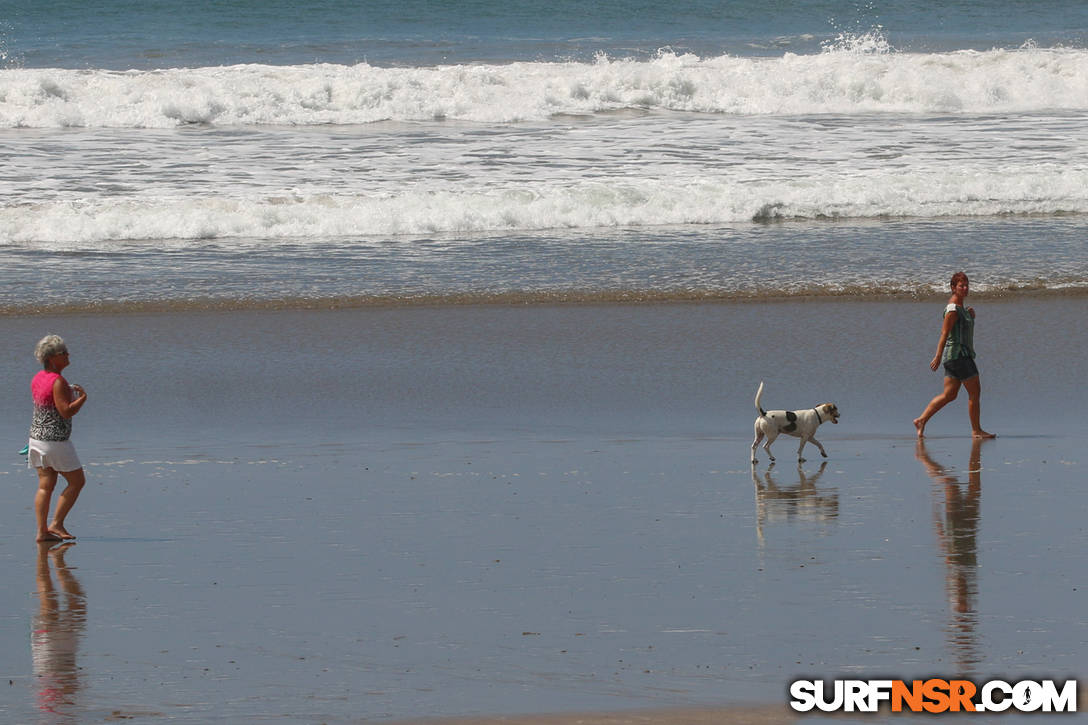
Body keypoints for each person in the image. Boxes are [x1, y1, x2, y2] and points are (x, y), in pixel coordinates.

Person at [913, 273, 995, 439]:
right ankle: (976, 430)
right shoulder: (952, 310)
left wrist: (970, 316)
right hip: (959, 357)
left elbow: (963, 329)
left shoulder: (961, 309)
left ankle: (921, 420)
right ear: (953, 288)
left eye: (966, 285)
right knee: (975, 393)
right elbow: (944, 334)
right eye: (961, 286)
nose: (965, 288)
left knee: (949, 395)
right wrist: (937, 356)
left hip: (953, 358)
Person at [28, 335, 88, 542]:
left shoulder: (38, 377)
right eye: (63, 353)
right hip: (56, 442)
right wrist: (82, 399)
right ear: (53, 358)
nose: (68, 355)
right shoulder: (59, 381)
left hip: (36, 439)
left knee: (45, 485)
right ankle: (57, 523)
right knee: (77, 481)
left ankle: (42, 531)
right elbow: (65, 412)